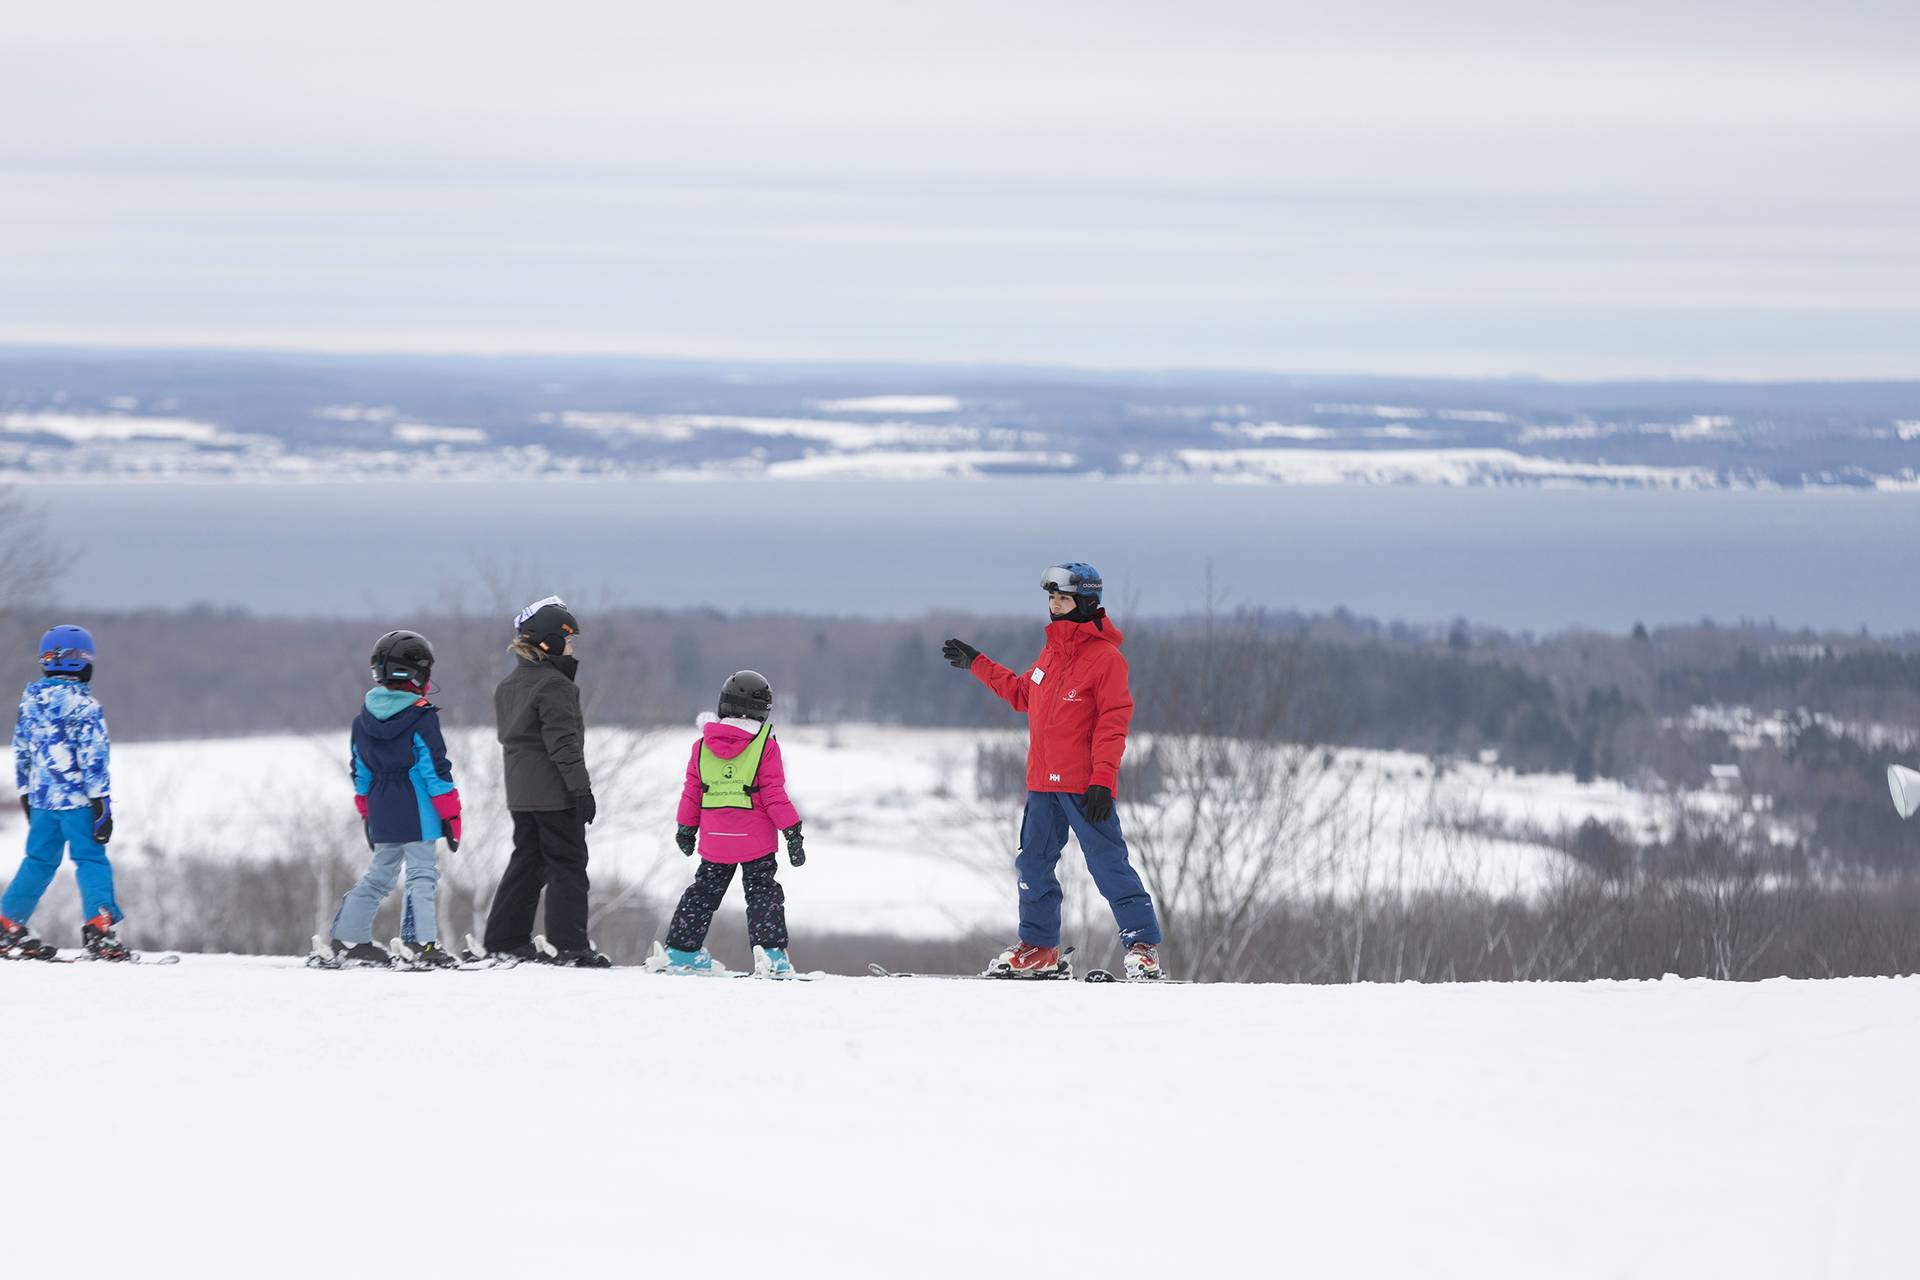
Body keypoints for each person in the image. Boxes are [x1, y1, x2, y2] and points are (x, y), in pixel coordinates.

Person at [942, 563, 1165, 979]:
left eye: (1062, 599)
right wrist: (977, 663)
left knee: (1108, 865)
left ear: (1086, 602)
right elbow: (1023, 693)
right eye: (1051, 599)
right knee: (1032, 865)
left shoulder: (1106, 660)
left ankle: (1142, 946)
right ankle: (1040, 949)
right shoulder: (1051, 653)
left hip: (1084, 785)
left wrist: (1103, 779)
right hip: (1043, 783)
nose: (1055, 606)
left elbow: (1113, 724)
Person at [314, 630, 462, 970]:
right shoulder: (422, 718)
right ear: (418, 673)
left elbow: (360, 772)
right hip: (418, 809)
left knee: (380, 875)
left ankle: (348, 937)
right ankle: (420, 943)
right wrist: (451, 814)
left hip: (382, 807)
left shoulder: (362, 721)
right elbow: (434, 771)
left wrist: (367, 812)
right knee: (422, 875)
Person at [481, 596, 609, 967]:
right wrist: (580, 789)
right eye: (568, 642)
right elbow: (563, 744)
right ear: (548, 642)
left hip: (520, 792)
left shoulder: (509, 684)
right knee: (568, 864)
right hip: (554, 792)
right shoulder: (555, 686)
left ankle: (505, 938)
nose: (572, 649)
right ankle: (569, 945)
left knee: (527, 862)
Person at [657, 671, 804, 976]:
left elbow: (692, 793)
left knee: (703, 892)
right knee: (763, 892)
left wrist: (686, 829)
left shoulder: (701, 747)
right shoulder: (765, 746)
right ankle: (772, 957)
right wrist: (792, 832)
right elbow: (774, 795)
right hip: (756, 841)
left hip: (715, 839)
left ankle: (682, 952)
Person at [2, 625, 125, 961]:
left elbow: (22, 751)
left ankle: (7, 924)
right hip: (78, 803)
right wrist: (101, 803)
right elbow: (93, 757)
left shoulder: (30, 703)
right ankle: (99, 930)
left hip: (42, 802)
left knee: (39, 861)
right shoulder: (85, 706)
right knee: (90, 859)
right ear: (83, 662)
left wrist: (27, 793)